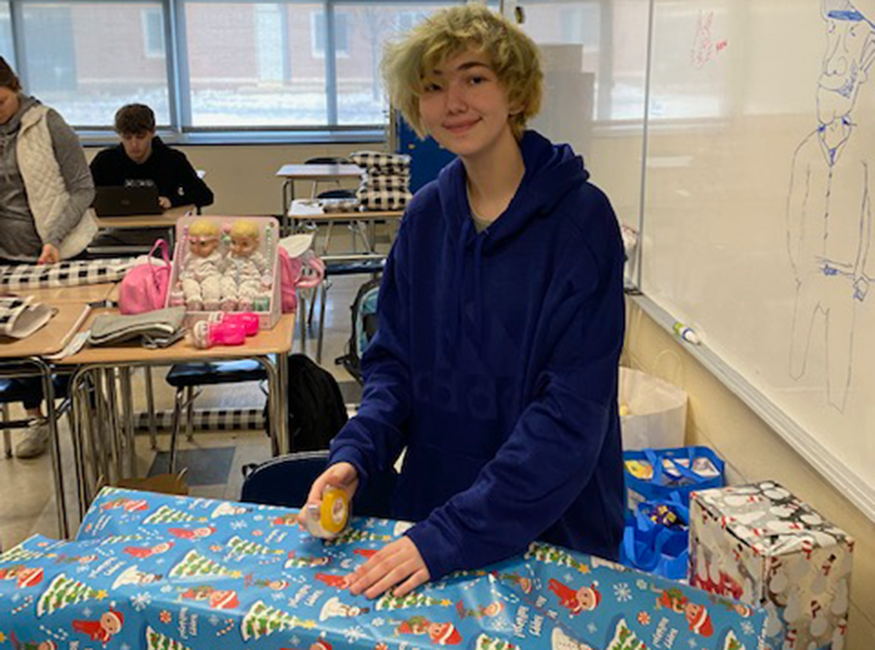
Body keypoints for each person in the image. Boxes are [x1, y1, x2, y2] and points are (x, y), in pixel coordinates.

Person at [298, 5, 625, 600]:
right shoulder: (425, 216)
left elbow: (570, 417)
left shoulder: (582, 223)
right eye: (432, 86)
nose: (453, 102)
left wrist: (451, 534)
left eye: (474, 78)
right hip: (434, 517)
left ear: (515, 91)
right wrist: (357, 454)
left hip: (552, 529)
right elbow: (393, 365)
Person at [0, 56, 97, 458]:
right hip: (7, 260)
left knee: (73, 344)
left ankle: (93, 413)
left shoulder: (46, 123)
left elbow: (81, 187)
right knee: (16, 346)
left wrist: (54, 237)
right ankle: (35, 417)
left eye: (0, 101)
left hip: (60, 253)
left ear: (15, 87)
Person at [89, 103, 213, 210]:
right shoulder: (105, 161)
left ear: (152, 132)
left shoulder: (173, 159)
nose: (134, 144)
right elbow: (83, 196)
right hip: (116, 229)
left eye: (140, 137)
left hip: (162, 229)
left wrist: (172, 201)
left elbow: (205, 196)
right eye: (127, 138)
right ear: (119, 135)